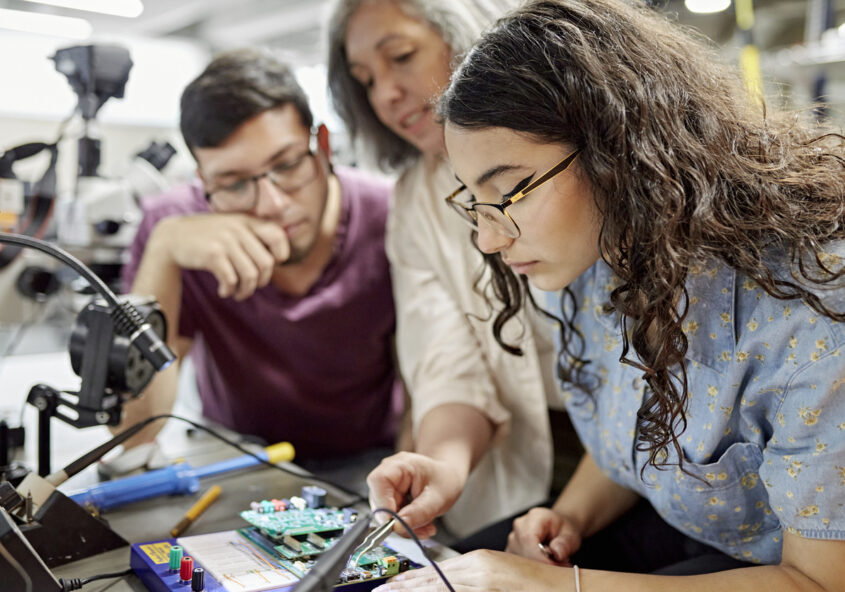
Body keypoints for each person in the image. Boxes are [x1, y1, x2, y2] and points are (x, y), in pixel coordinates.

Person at [367, 0, 845, 589]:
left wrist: (551, 585)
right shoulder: (602, 257)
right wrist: (570, 517)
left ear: (619, 149)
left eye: (510, 192)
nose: (488, 239)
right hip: (691, 528)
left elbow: (818, 582)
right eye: (473, 201)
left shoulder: (811, 313)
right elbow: (646, 430)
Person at [327, 0, 583, 538]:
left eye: (401, 56)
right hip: (526, 458)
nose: (385, 94)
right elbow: (445, 358)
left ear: (471, 36)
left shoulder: (579, 153)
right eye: (365, 80)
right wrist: (441, 464)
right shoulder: (416, 200)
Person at [118, 48, 402, 488]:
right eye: (233, 184)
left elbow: (436, 383)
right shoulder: (174, 227)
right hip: (233, 458)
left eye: (287, 165)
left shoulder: (391, 216)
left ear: (323, 146)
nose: (272, 204)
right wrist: (163, 252)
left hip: (371, 464)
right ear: (203, 181)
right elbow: (136, 431)